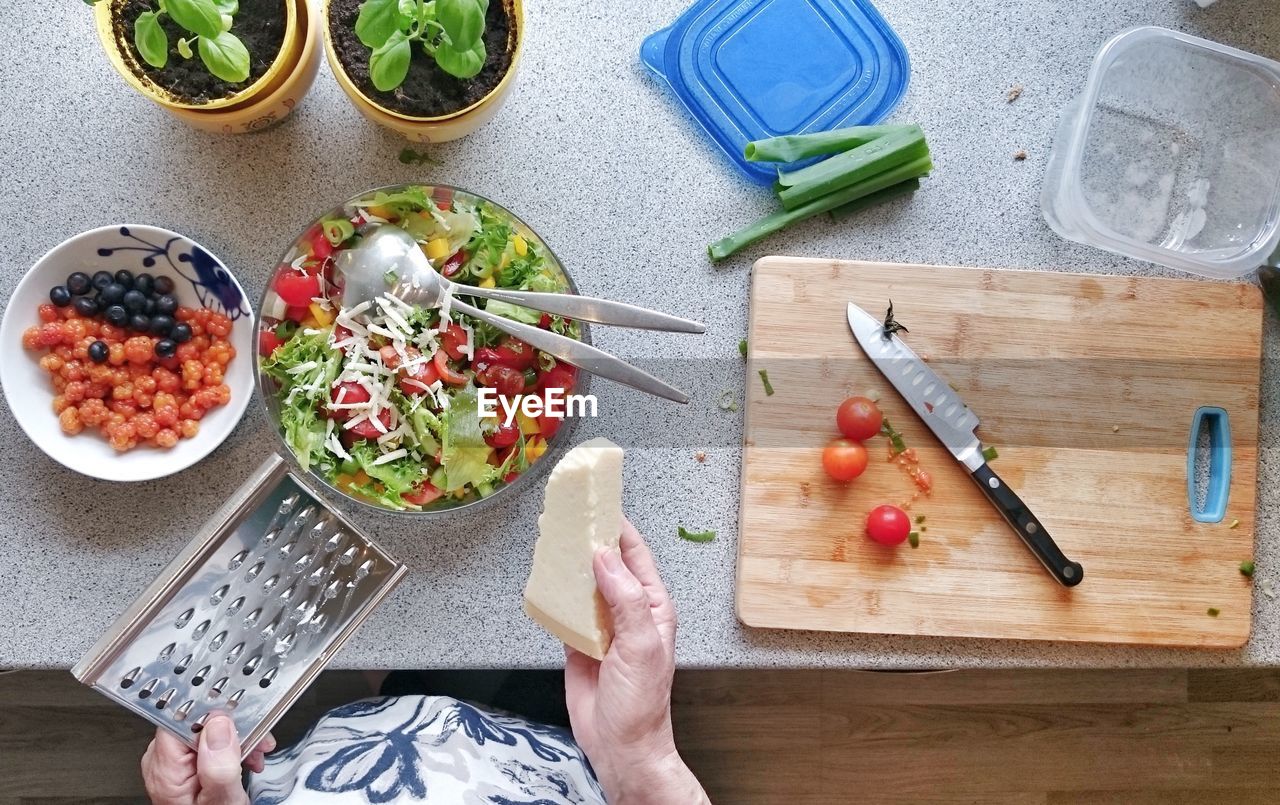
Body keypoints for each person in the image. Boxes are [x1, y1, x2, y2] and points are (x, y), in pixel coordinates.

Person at [141, 520, 711, 804]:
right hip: (561, 766)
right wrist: (641, 757)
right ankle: (399, 688)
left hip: (335, 766)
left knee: (394, 687)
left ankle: (393, 690)